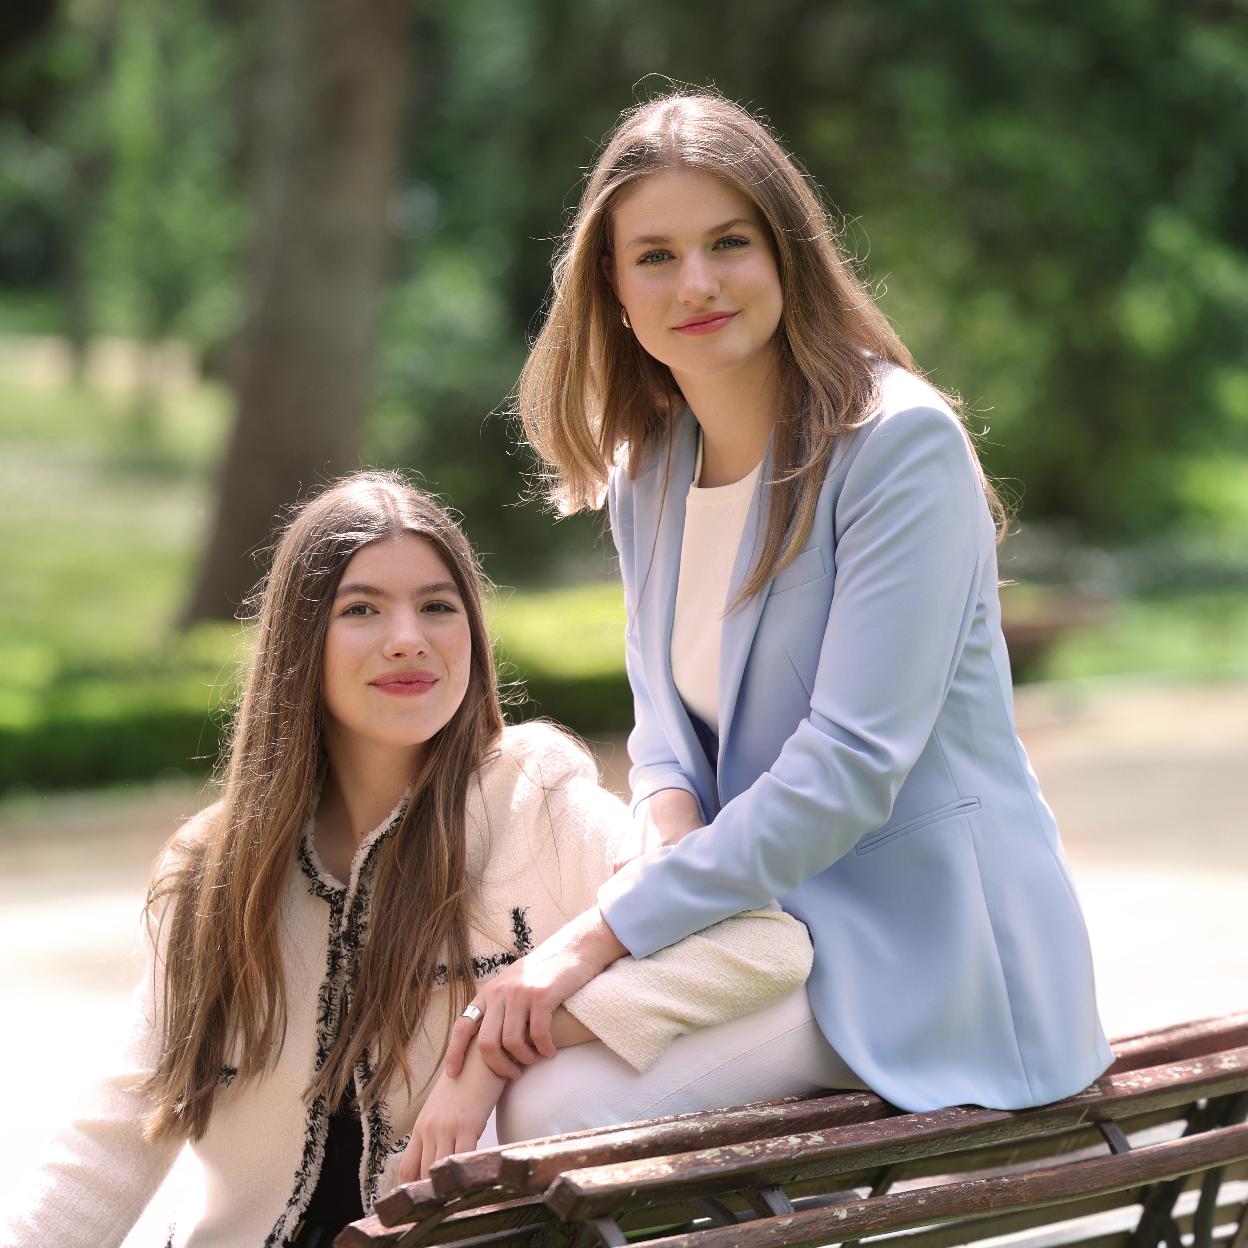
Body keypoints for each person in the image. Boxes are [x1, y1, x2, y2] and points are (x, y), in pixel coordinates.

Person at [445, 89, 1113, 1113]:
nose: (697, 282)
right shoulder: (648, 471)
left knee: (553, 1108)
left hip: (923, 954)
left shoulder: (898, 448)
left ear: (786, 254)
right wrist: (664, 882)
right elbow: (664, 736)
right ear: (612, 288)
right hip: (751, 934)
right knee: (481, 1061)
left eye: (729, 242)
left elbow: (849, 767)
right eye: (656, 256)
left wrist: (606, 936)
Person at [0, 471, 819, 1248]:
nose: (406, 641)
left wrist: (501, 1040)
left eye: (437, 606)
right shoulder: (217, 871)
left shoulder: (534, 800)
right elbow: (117, 1129)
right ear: (300, 643)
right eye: (361, 610)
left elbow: (758, 941)